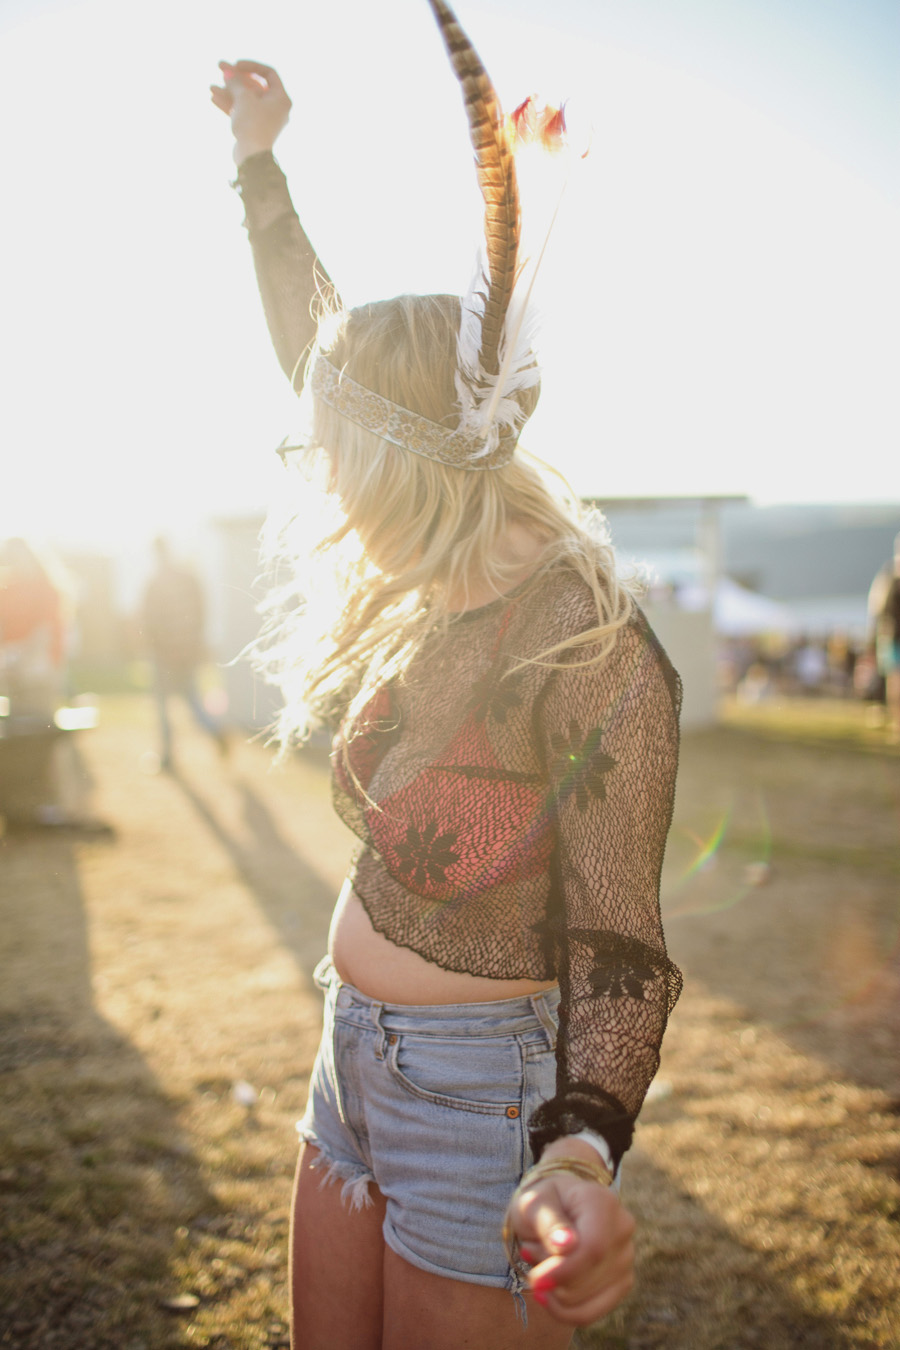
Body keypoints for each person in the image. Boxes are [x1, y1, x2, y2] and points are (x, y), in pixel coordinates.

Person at [211, 5, 681, 1346]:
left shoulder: (586, 646)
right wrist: (261, 160)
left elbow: (618, 937)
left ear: (402, 464)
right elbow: (317, 347)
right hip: (345, 1058)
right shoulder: (438, 575)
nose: (325, 482)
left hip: (486, 1105)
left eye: (339, 459)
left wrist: (581, 1148)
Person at [140, 537, 227, 770]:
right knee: (192, 700)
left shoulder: (155, 582)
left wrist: (158, 646)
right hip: (188, 651)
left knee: (162, 705)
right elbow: (202, 612)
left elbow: (149, 620)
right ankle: (214, 729)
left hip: (164, 653)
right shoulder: (189, 579)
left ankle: (167, 755)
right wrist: (194, 645)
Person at [868, 533, 900, 742]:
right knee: (896, 679)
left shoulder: (889, 576)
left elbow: (876, 609)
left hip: (891, 636)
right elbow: (879, 610)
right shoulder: (890, 577)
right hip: (894, 637)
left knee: (895, 680)